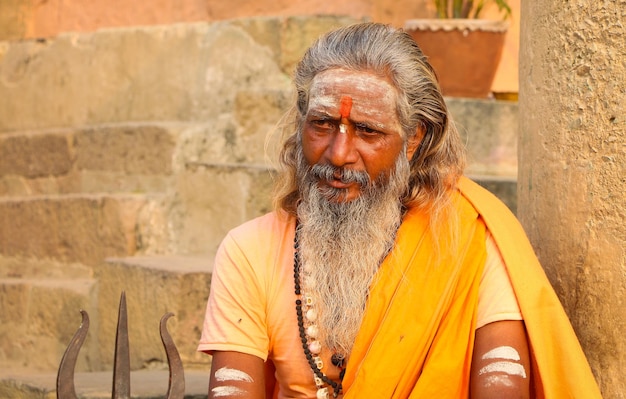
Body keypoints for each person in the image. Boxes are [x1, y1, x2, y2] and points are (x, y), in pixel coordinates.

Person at [198, 22, 602, 399]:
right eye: (321, 124)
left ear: (413, 140)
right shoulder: (249, 250)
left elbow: (502, 381)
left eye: (368, 131)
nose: (339, 155)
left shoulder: (466, 239)